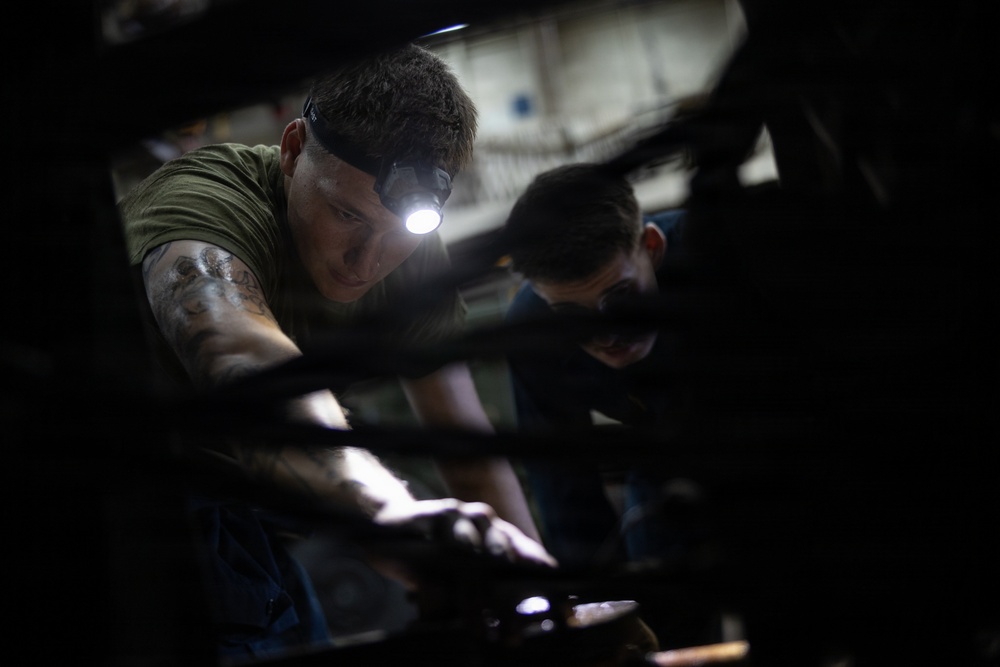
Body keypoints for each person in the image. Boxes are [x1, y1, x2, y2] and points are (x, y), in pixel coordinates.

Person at [118, 44, 554, 661]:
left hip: (248, 520)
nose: (368, 260)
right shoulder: (205, 204)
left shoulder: (408, 252)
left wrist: (550, 603)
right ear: (293, 150)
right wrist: (388, 511)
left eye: (397, 232)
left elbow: (465, 448)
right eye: (347, 214)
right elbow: (240, 356)